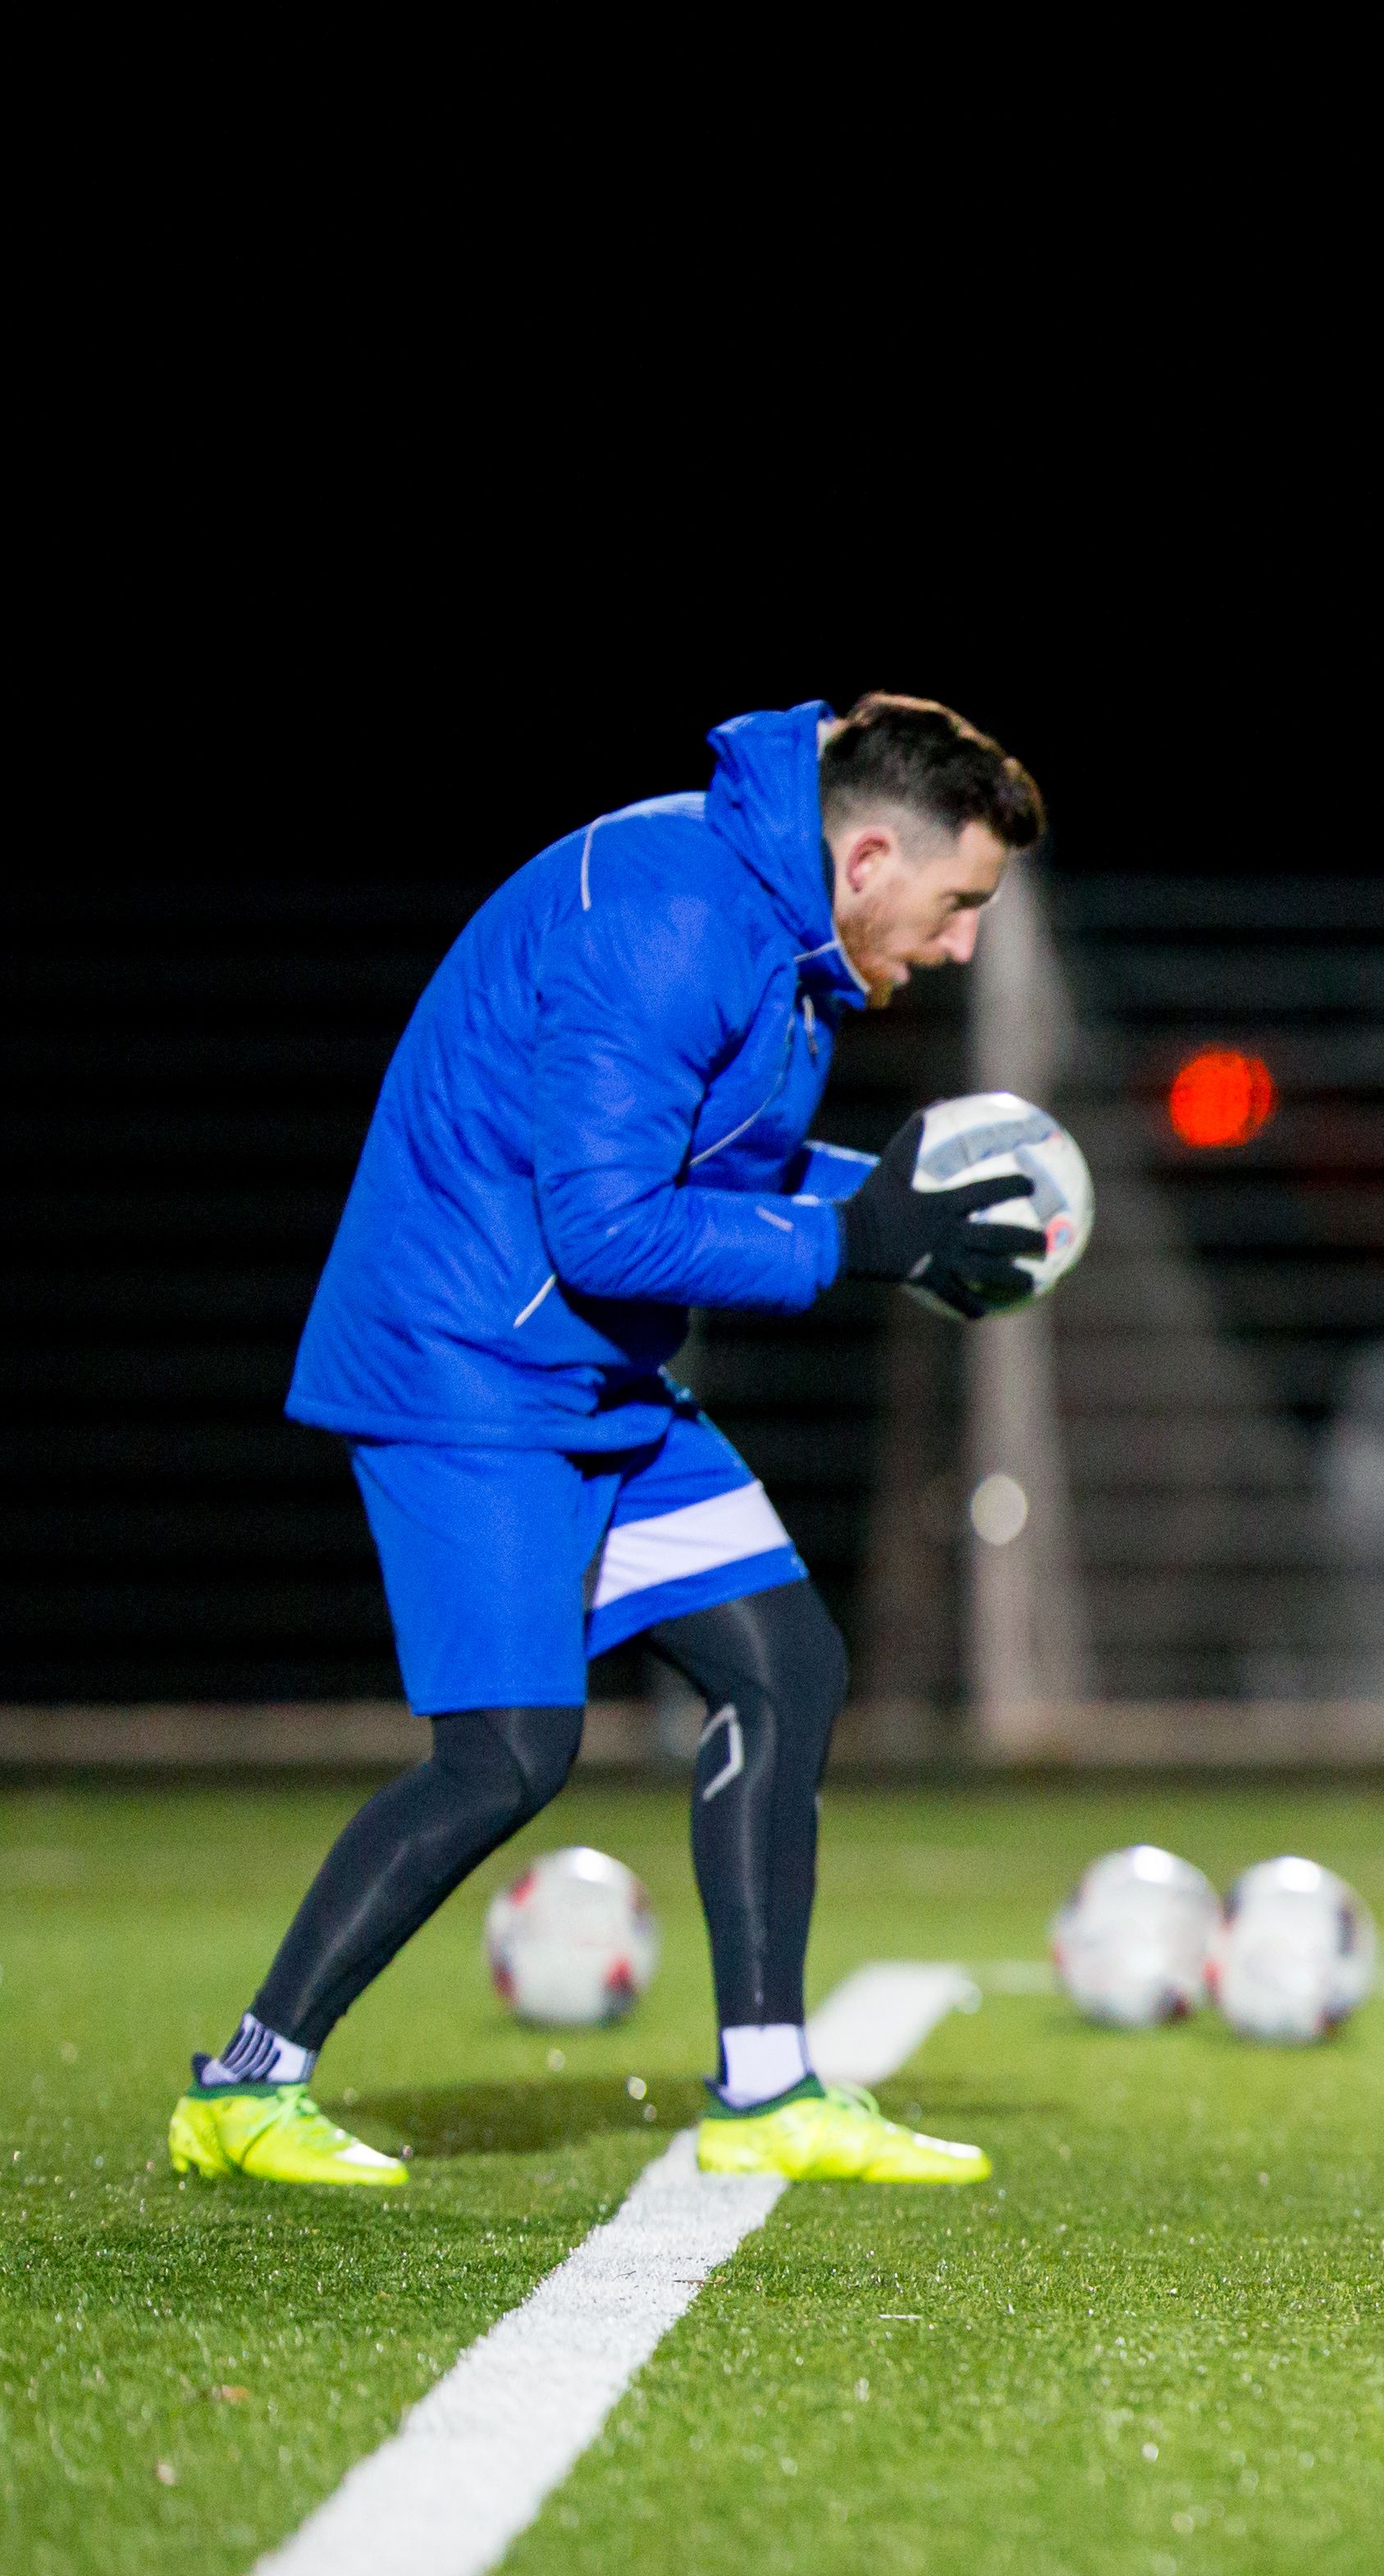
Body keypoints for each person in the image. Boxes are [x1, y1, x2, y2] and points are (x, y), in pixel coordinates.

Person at [171, 698, 1055, 2190]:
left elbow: (726, 1169)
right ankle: (246, 2086)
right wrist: (855, 1244)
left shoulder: (773, 936)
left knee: (787, 1668)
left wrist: (906, 1224)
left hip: (587, 1373)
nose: (963, 943)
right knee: (507, 1760)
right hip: (470, 1372)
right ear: (871, 860)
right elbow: (607, 1223)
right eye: (960, 903)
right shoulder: (675, 922)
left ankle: (768, 2093)